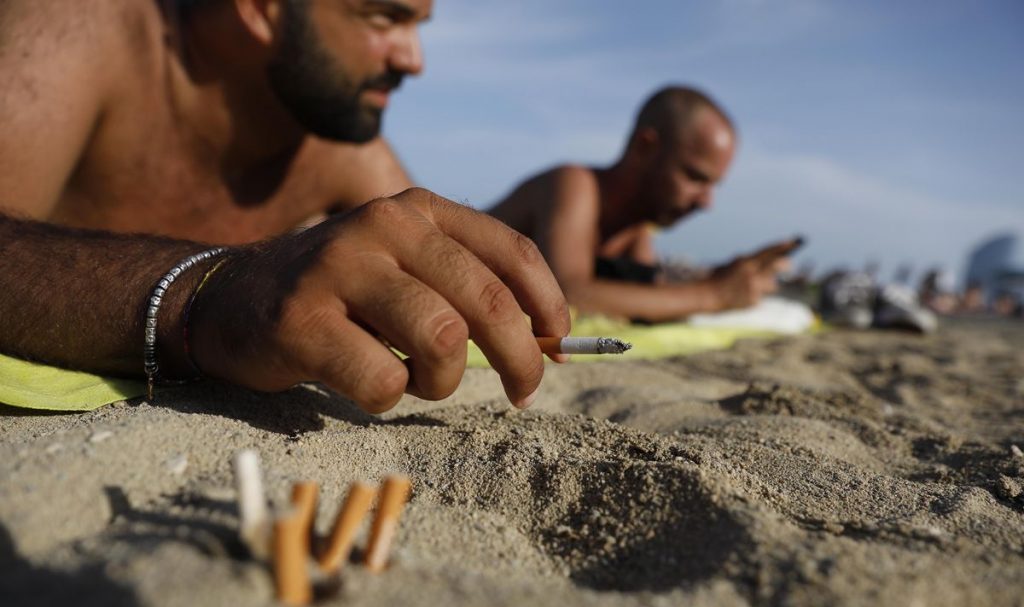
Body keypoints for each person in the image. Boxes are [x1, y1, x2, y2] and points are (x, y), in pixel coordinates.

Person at [0, 0, 570, 413]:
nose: (414, 59)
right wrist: (208, 296)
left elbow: (427, 279)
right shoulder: (78, 26)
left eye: (417, 24)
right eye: (383, 17)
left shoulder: (340, 146)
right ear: (260, 8)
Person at [489, 85, 797, 323]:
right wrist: (716, 294)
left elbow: (648, 297)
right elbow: (565, 294)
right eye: (695, 178)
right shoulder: (574, 185)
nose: (706, 202)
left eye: (713, 185)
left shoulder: (635, 228)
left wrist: (722, 277)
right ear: (644, 147)